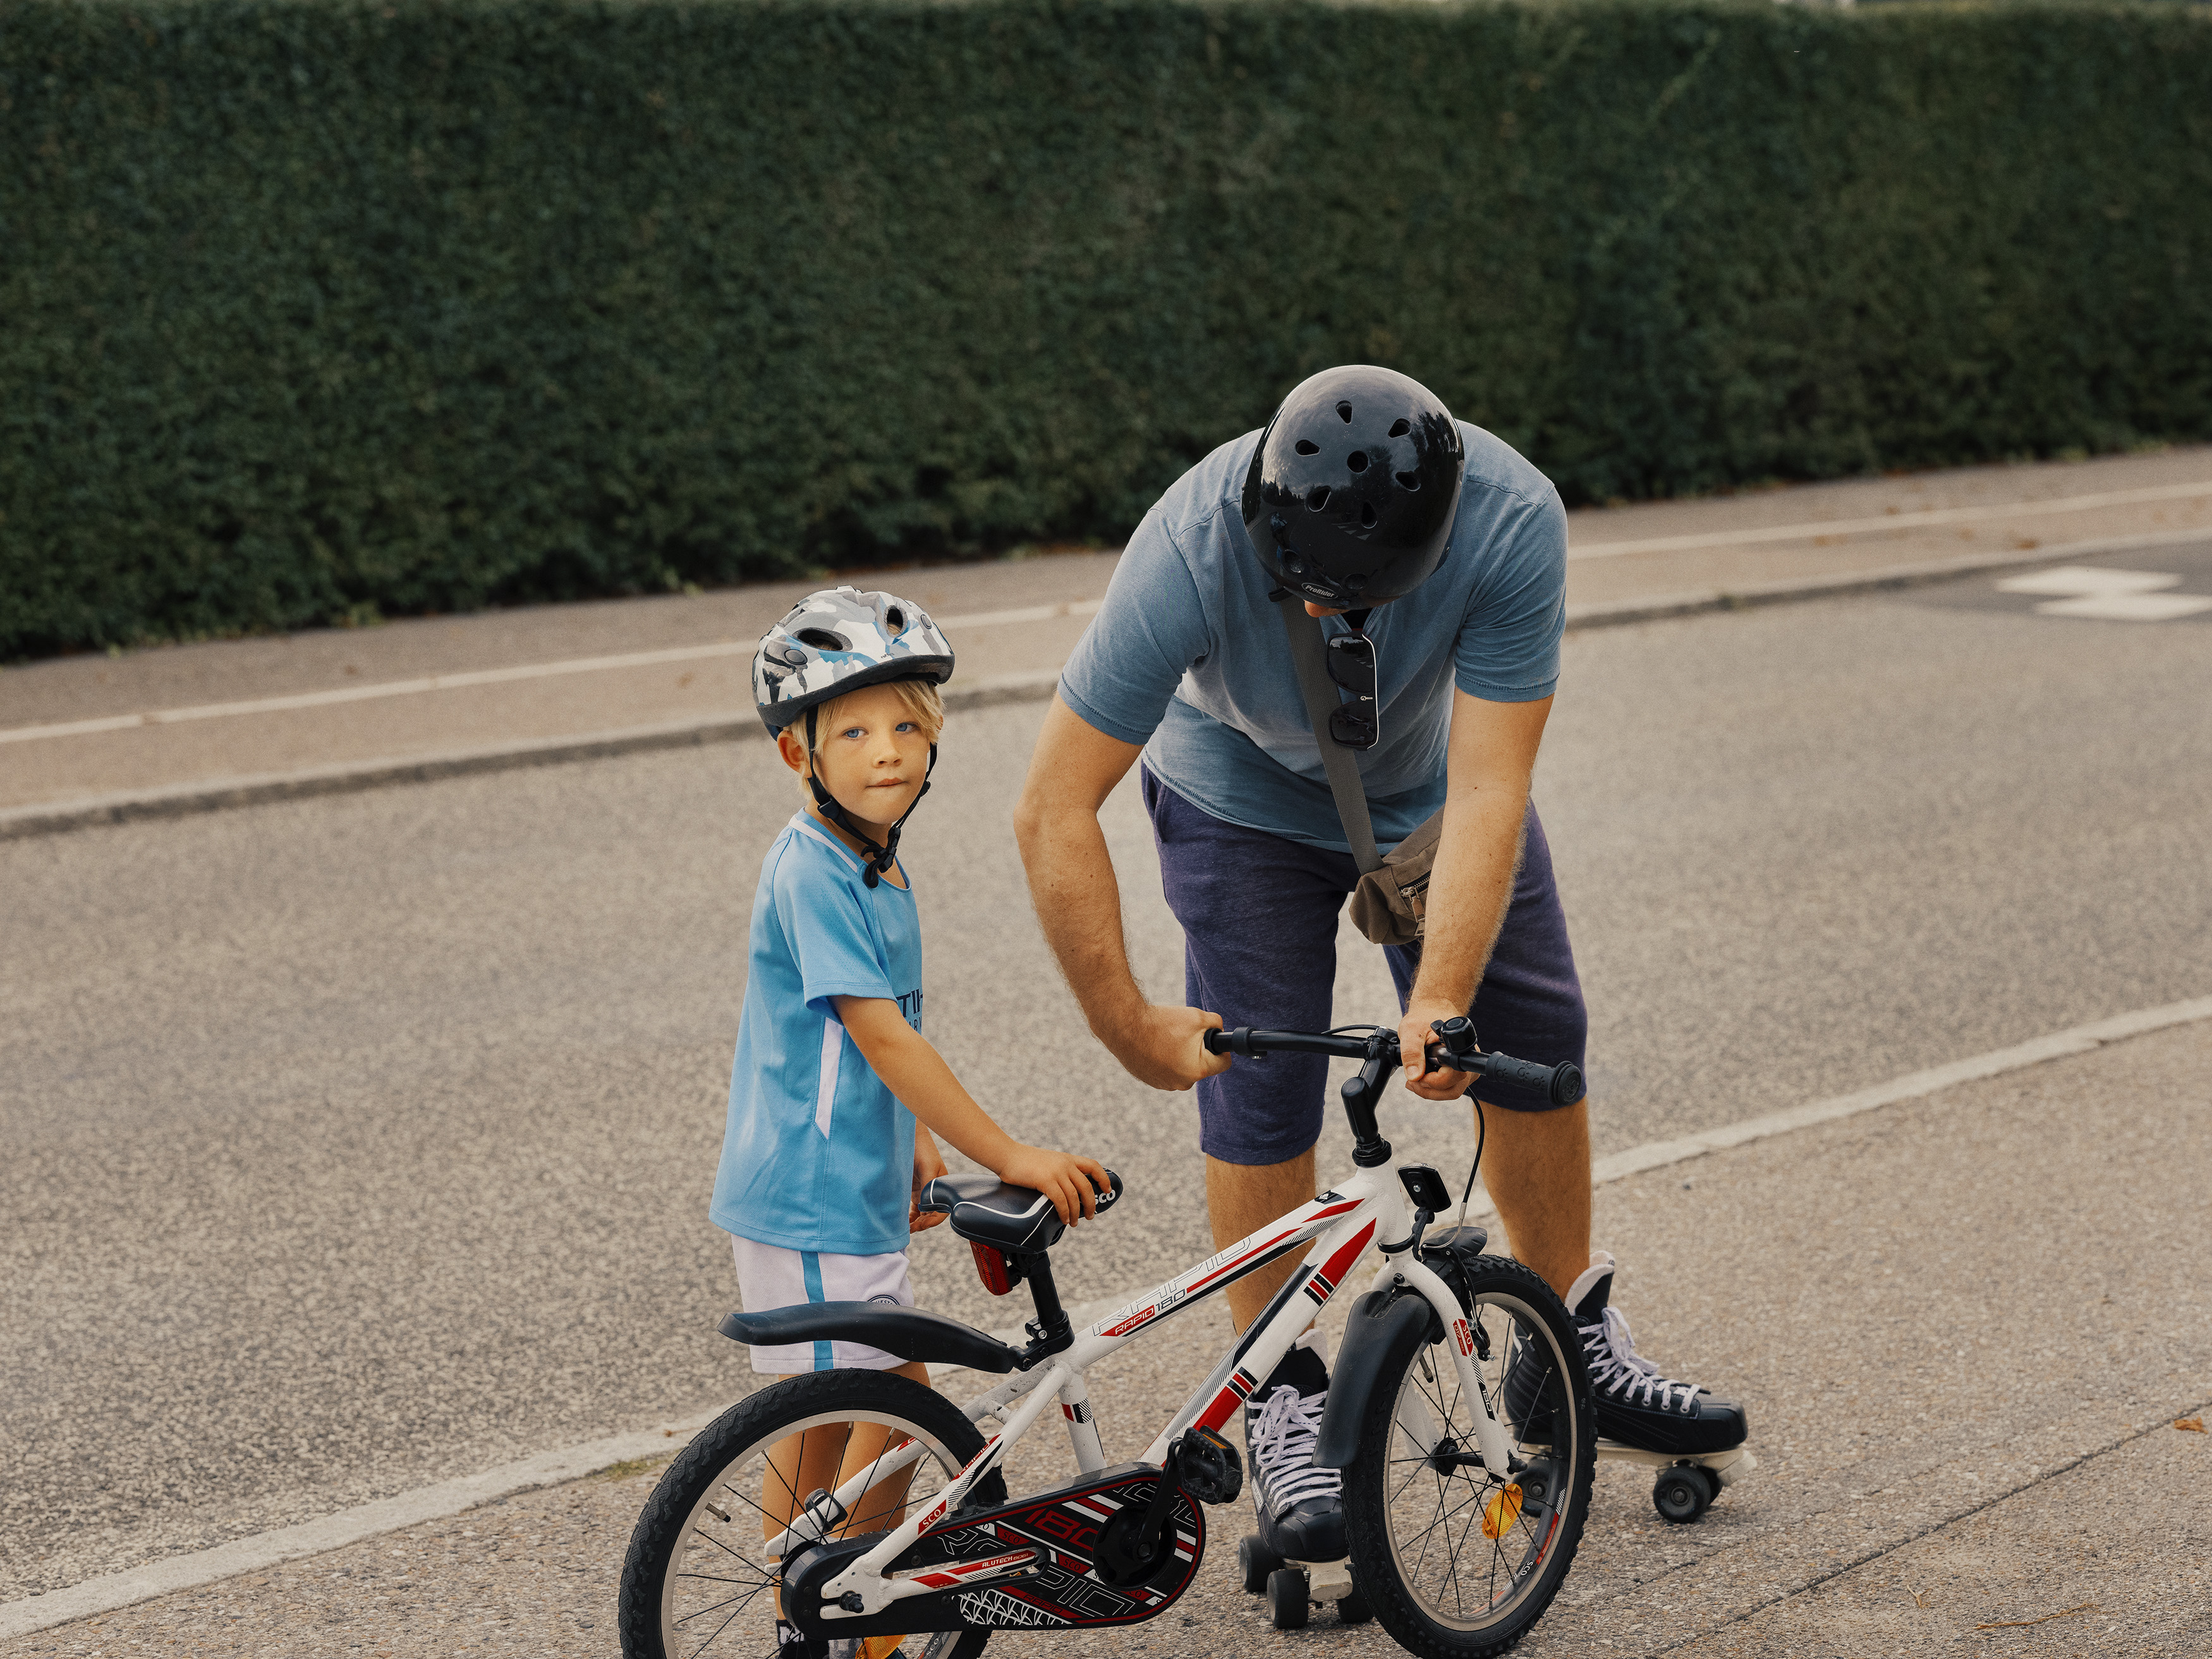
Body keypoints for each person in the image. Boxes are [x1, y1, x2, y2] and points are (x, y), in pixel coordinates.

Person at [1012, 366, 1746, 1565]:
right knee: (1256, 1079)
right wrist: (1131, 1023)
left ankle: (1562, 1344)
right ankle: (1285, 1391)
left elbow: (1496, 777)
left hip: (1428, 794)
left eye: (1338, 601)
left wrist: (1444, 990)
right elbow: (1051, 805)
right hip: (1236, 793)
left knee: (1532, 1044)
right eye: (1293, 587)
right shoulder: (1193, 542)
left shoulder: (1512, 520)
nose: (1310, 616)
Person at [717, 585, 1110, 1655]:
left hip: (840, 1183)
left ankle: (807, 1612)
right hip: (807, 1194)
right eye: (853, 730)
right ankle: (851, 1618)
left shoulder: (873, 864)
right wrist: (1009, 1152)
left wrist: (918, 1141)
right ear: (799, 755)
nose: (885, 750)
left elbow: (865, 1040)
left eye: (905, 727)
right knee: (894, 1410)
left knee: (829, 1415)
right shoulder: (814, 870)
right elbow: (887, 1037)